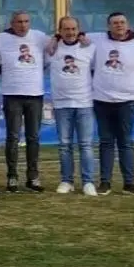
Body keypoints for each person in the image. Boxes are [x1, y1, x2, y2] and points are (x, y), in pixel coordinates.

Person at [90, 12, 134, 195]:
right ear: (108, 26)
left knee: (125, 142)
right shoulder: (97, 39)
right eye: (115, 23)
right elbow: (73, 35)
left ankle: (129, 184)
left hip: (127, 102)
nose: (119, 25)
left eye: (122, 22)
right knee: (105, 142)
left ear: (127, 25)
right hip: (101, 101)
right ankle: (105, 183)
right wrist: (56, 38)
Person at [0, 11, 50, 192]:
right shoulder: (0, 39)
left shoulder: (39, 37)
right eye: (19, 22)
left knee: (33, 137)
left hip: (35, 95)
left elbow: (56, 47)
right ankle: (12, 177)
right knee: (13, 137)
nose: (23, 25)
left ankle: (33, 177)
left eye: (26, 21)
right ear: (12, 23)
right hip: (12, 95)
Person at [45, 16, 97, 196]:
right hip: (61, 104)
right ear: (59, 31)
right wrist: (54, 39)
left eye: (74, 29)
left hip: (84, 103)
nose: (70, 32)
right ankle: (67, 180)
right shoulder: (51, 49)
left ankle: (88, 182)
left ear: (79, 30)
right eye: (66, 29)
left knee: (86, 145)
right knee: (64, 145)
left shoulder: (89, 47)